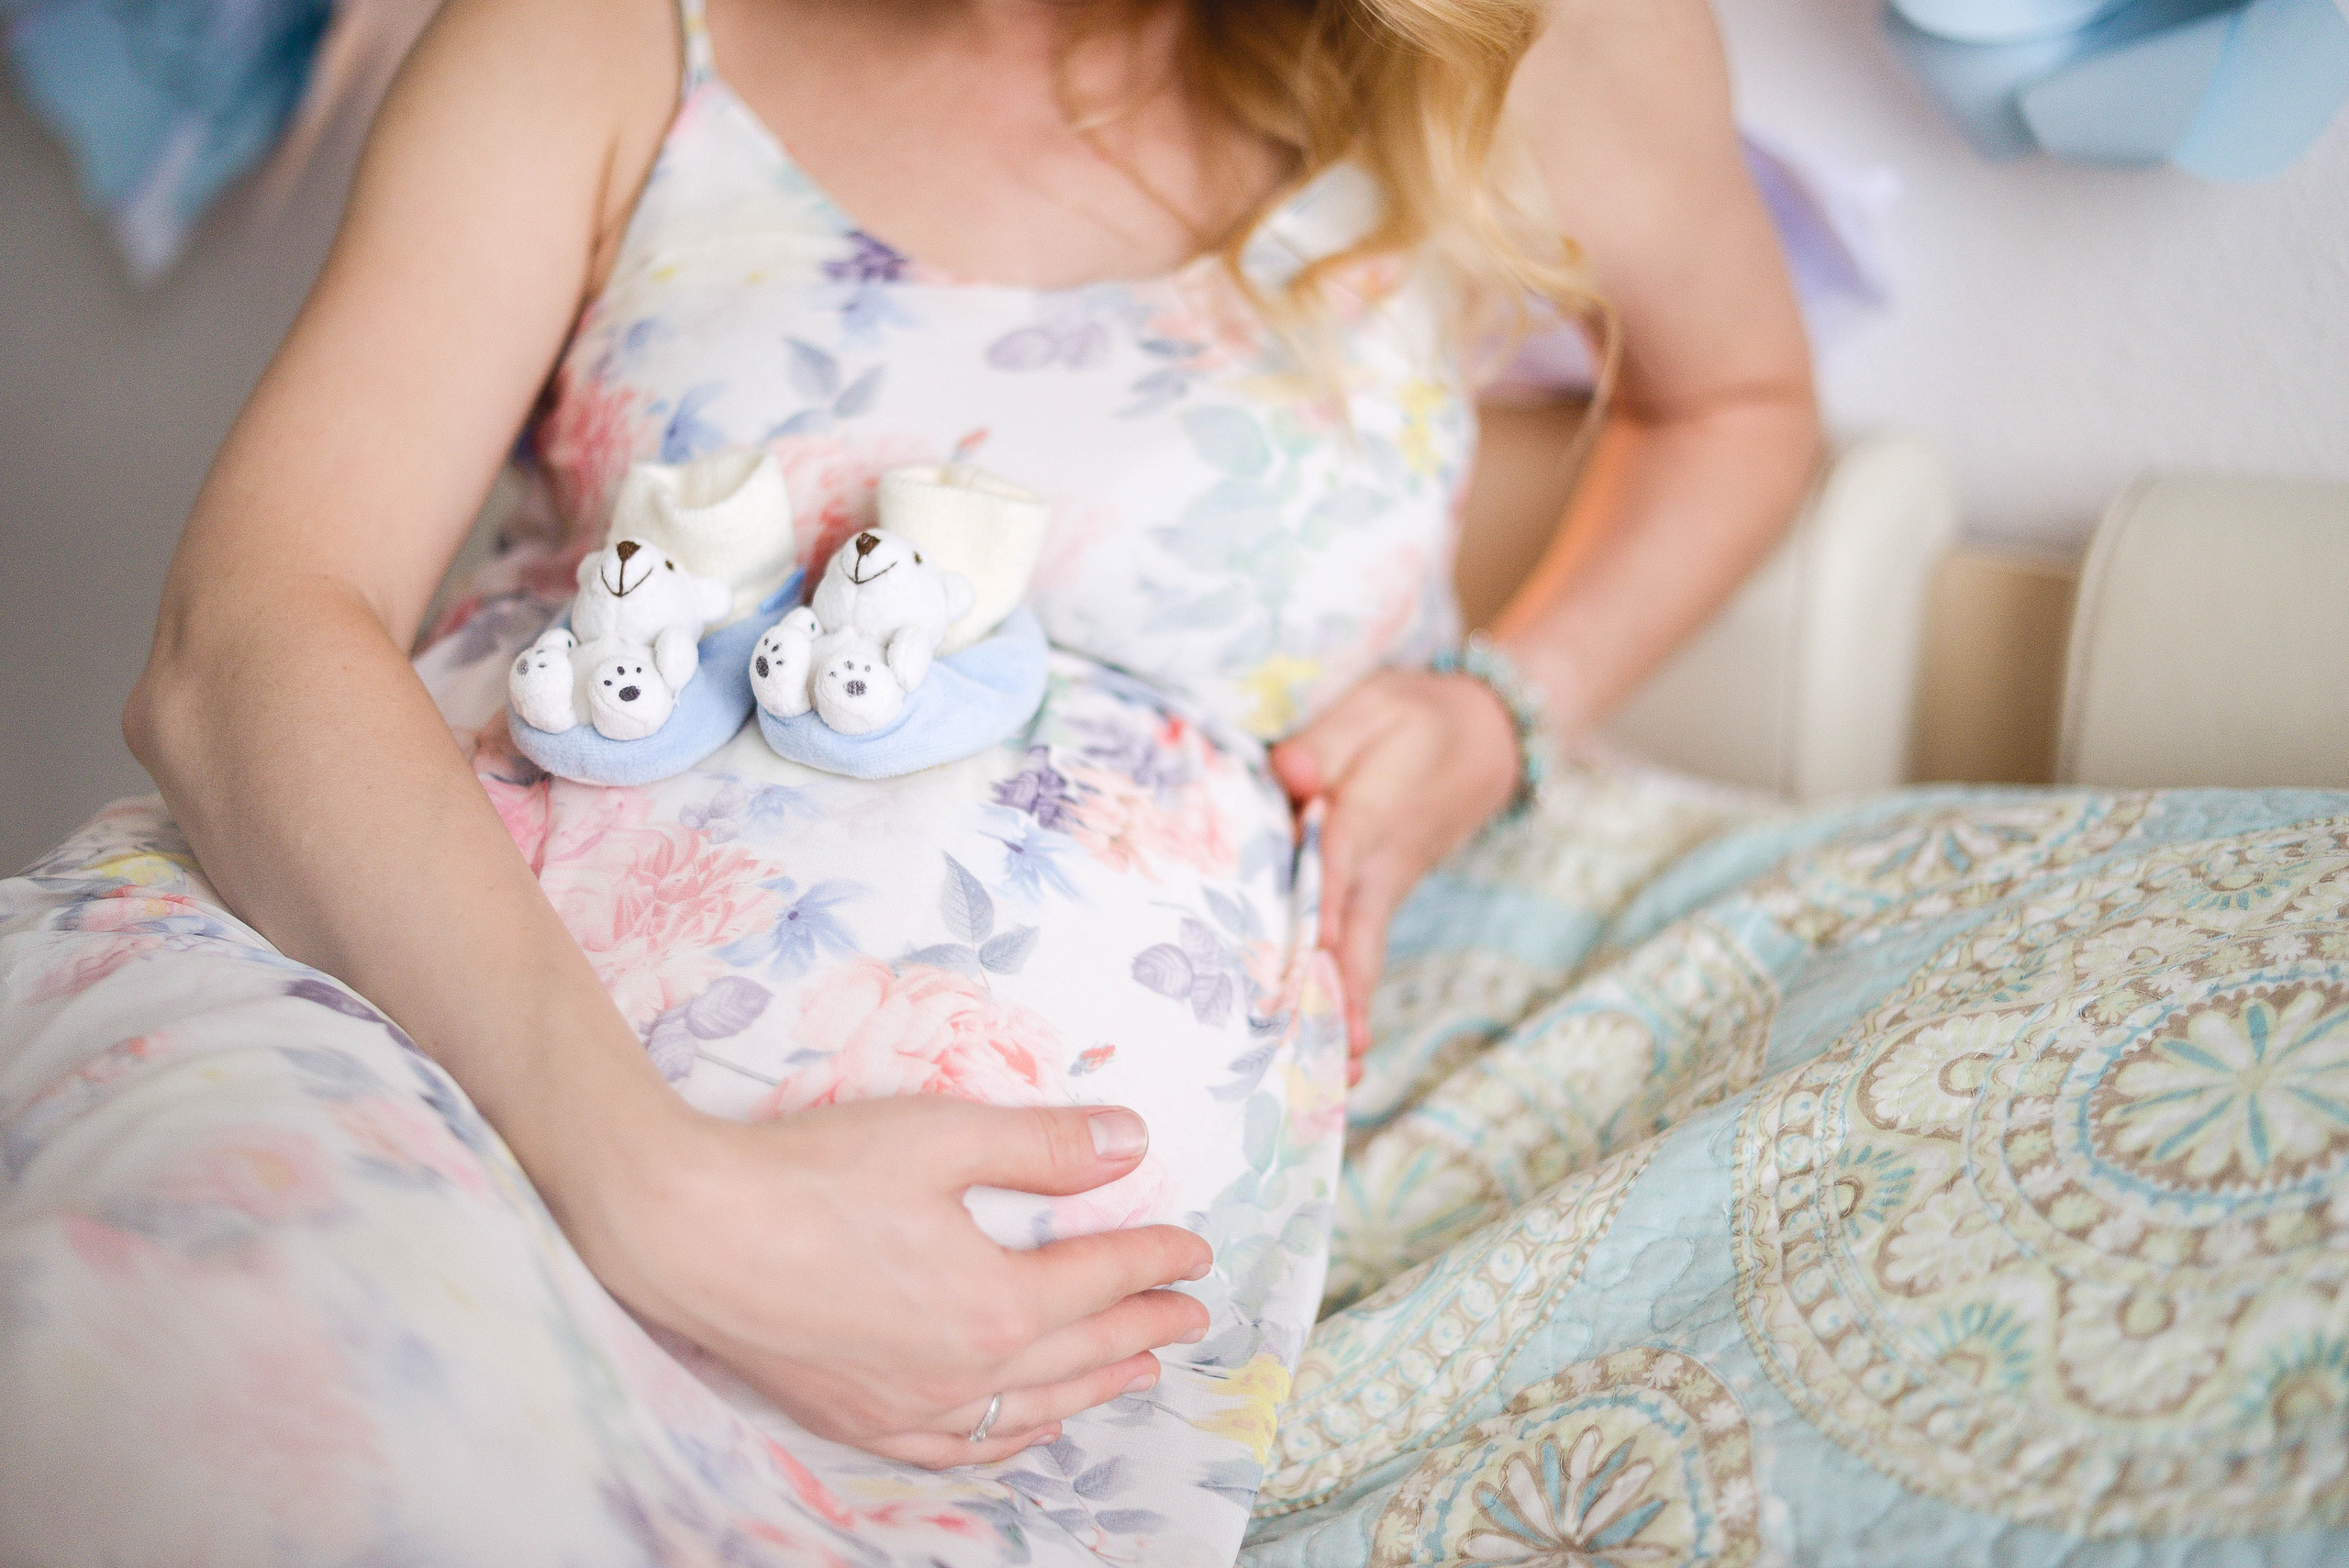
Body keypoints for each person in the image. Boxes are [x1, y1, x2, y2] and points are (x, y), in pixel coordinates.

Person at [0, 0, 1815, 1558]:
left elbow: (1726, 403)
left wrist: (1504, 699)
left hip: (963, 1348)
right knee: (238, 1419)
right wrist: (661, 1192)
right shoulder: (604, 32)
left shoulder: (1522, 45)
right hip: (392, 1030)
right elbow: (241, 644)